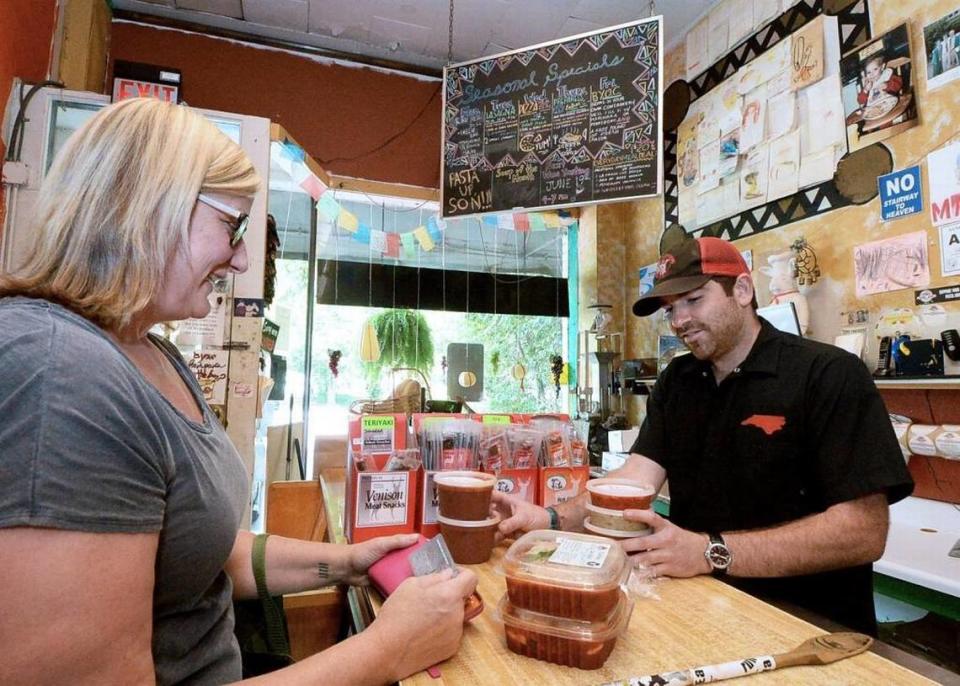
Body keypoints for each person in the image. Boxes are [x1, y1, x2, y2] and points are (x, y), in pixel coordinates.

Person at [0, 98, 476, 685]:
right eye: (233, 226)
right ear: (149, 208)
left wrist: (345, 564)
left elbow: (201, 551)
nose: (243, 257)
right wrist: (389, 647)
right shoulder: (56, 373)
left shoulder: (152, 350)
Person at [493, 237, 913, 636]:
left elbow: (863, 531)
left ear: (743, 290)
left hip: (809, 628)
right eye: (671, 309)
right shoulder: (679, 380)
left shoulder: (827, 375)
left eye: (694, 300)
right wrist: (549, 519)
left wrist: (708, 552)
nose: (680, 321)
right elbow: (634, 481)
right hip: (701, 610)